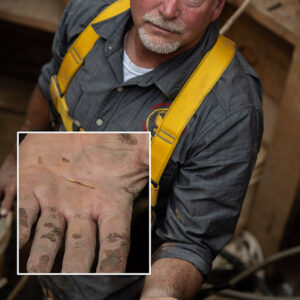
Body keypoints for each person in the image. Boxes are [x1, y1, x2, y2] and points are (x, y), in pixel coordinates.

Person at [0, 0, 263, 299]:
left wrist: (161, 293)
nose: (167, 10)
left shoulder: (231, 110)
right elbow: (51, 83)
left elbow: (189, 243)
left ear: (216, 9)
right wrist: (14, 158)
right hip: (31, 244)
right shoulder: (89, 13)